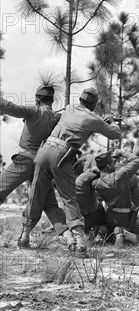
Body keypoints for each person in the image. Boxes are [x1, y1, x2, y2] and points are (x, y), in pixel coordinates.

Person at [24, 87, 121, 254]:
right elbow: (115, 134)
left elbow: (66, 119)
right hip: (61, 156)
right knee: (69, 198)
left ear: (80, 99)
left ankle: (24, 235)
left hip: (43, 150)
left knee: (36, 194)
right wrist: (110, 121)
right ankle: (79, 240)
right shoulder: (93, 118)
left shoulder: (69, 107)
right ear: (94, 104)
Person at [0, 84, 69, 248]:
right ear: (52, 100)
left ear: (37, 99)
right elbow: (80, 122)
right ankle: (70, 238)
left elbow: (8, 107)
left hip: (25, 161)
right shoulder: (56, 118)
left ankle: (26, 237)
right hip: (43, 165)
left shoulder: (34, 111)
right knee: (50, 204)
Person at [92, 150, 139, 247]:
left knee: (110, 236)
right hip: (126, 218)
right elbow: (136, 160)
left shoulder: (96, 183)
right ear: (108, 166)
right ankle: (124, 234)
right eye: (112, 163)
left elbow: (95, 203)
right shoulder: (123, 177)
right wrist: (122, 152)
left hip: (110, 218)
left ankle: (110, 233)